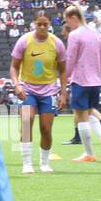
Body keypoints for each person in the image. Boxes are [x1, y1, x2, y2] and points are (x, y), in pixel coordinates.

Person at [10, 11, 68, 174]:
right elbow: (14, 67)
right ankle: (27, 163)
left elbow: (63, 71)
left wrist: (63, 93)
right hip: (27, 89)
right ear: (34, 23)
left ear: (50, 24)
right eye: (39, 24)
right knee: (27, 122)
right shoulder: (24, 41)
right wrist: (17, 85)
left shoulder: (57, 44)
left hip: (48, 90)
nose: (42, 27)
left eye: (45, 24)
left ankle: (44, 163)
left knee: (46, 128)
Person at [62, 6, 101, 163]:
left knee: (81, 116)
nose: (67, 25)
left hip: (81, 79)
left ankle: (89, 153)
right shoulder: (96, 34)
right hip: (96, 80)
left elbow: (70, 59)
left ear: (73, 17)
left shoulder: (75, 35)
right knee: (90, 112)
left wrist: (65, 77)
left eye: (67, 21)